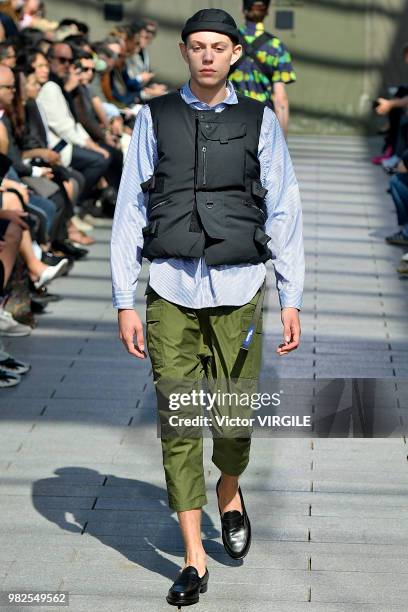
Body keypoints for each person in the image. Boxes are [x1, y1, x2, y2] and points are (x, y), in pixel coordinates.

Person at [110, 8, 304, 607]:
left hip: (240, 287)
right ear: (184, 51)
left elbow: (284, 208)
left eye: (219, 46)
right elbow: (129, 210)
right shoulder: (155, 117)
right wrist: (125, 298)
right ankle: (194, 557)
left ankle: (229, 487)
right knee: (178, 418)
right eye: (198, 46)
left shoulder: (259, 121)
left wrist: (292, 295)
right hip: (170, 285)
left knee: (232, 419)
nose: (208, 56)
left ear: (236, 54)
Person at [229, 0, 296, 137]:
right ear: (267, 11)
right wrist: (281, 140)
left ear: (242, 8)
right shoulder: (276, 46)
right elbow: (280, 100)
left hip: (230, 121)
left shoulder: (229, 42)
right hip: (262, 124)